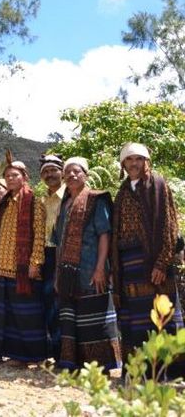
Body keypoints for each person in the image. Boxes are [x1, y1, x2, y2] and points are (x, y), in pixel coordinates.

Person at [112, 143, 183, 358]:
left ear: (146, 162)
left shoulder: (158, 185)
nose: (134, 164)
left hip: (152, 261)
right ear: (123, 164)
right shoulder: (123, 191)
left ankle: (169, 370)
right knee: (135, 319)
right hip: (128, 265)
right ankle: (139, 370)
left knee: (161, 315)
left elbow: (169, 225)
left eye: (138, 159)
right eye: (129, 160)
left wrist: (161, 263)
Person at [52, 157, 121, 371]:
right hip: (68, 274)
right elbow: (59, 242)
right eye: (68, 172)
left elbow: (104, 234)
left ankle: (101, 367)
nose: (72, 175)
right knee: (71, 318)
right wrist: (57, 275)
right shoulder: (64, 205)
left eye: (77, 171)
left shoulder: (96, 199)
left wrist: (101, 268)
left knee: (95, 319)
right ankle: (74, 365)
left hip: (91, 269)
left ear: (86, 175)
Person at [0, 154, 47, 366]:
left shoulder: (33, 202)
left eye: (15, 175)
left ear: (24, 177)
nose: (11, 178)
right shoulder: (4, 204)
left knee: (27, 316)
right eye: (7, 175)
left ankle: (34, 356)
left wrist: (35, 262)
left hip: (23, 270)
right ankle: (17, 356)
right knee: (10, 316)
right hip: (3, 268)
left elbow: (39, 234)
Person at [39, 154, 65, 360]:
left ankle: (67, 353)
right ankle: (55, 351)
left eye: (53, 170)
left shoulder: (70, 196)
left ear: (62, 172)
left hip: (64, 253)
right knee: (49, 302)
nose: (49, 175)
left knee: (63, 303)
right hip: (46, 255)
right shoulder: (44, 200)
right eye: (45, 172)